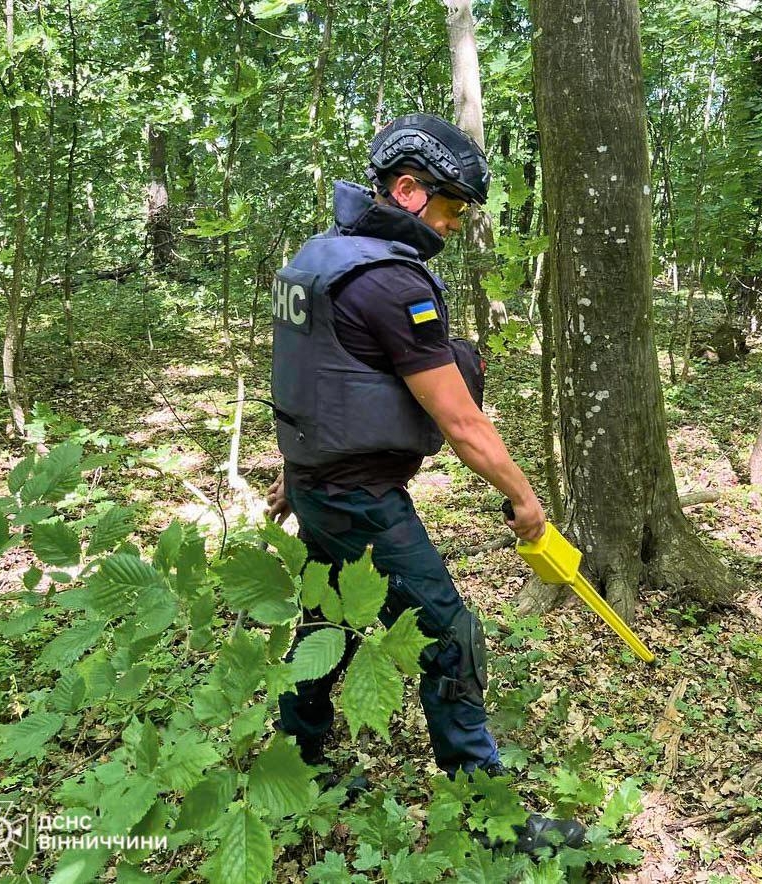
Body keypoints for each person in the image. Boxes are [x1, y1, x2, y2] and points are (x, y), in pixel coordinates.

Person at [265, 113, 585, 854]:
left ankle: (294, 765)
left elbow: (309, 378)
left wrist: (291, 469)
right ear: (406, 191)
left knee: (329, 627)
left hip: (319, 487)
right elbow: (464, 423)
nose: (457, 222)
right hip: (357, 499)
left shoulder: (318, 259)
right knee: (451, 636)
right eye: (451, 206)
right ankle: (494, 821)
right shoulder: (386, 282)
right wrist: (525, 496)